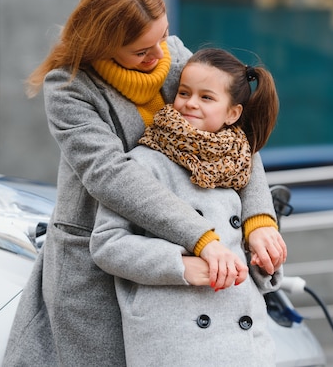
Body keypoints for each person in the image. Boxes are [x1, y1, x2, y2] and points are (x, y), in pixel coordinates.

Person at [3, 0, 286, 367]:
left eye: (163, 35)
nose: (159, 54)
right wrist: (201, 237)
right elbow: (112, 176)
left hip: (196, 262)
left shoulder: (174, 57)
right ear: (103, 44)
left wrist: (259, 219)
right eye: (141, 51)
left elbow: (234, 136)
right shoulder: (69, 89)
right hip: (98, 263)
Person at [90, 47, 282, 366]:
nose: (190, 103)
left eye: (206, 97)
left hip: (245, 345)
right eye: (184, 92)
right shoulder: (144, 162)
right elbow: (107, 244)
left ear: (232, 113)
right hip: (175, 342)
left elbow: (249, 263)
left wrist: (265, 258)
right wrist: (180, 265)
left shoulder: (239, 166)